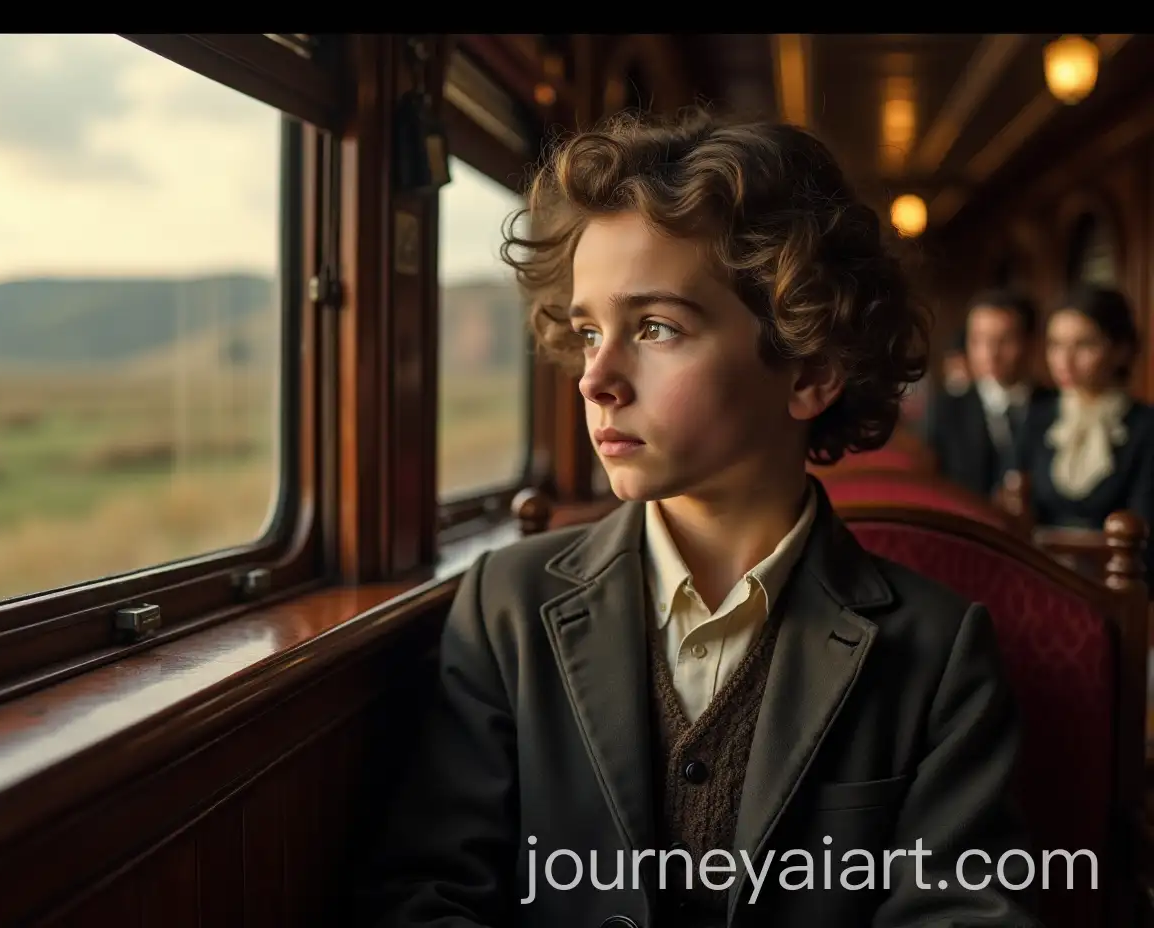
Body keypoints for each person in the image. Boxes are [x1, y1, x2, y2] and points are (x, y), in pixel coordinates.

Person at [359, 109, 1039, 927]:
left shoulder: (936, 651)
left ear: (810, 371)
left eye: (654, 327)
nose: (595, 378)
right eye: (587, 331)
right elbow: (428, 897)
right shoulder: (506, 605)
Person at [1017, 284, 1153, 573]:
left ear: (1120, 350)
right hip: (1040, 575)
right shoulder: (1038, 416)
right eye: (1056, 345)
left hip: (1116, 584)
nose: (1064, 360)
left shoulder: (1145, 426)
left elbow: (1145, 533)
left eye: (1084, 345)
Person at [927, 289, 1052, 499]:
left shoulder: (1055, 406)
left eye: (1004, 341)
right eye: (978, 340)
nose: (989, 353)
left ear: (1032, 343)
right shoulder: (948, 409)